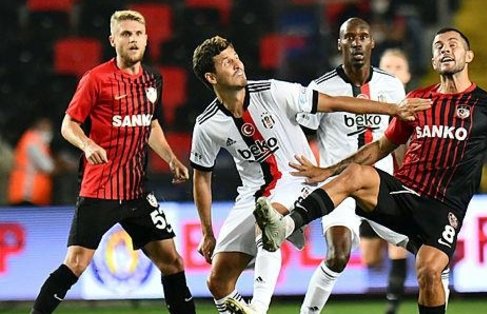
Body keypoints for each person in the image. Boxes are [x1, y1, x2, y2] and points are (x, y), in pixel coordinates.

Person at [254, 27, 487, 314]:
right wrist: (328, 170)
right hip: (403, 194)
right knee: (356, 175)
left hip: (443, 210)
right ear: (432, 62)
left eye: (452, 43)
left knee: (428, 272)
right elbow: (381, 147)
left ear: (469, 55)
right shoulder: (418, 99)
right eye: (438, 46)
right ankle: (284, 227)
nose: (445, 48)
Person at [189, 35, 429, 314]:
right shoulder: (207, 125)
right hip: (252, 194)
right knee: (218, 282)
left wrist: (392, 109)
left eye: (235, 56)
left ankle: (259, 307)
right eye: (226, 62)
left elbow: (336, 102)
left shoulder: (273, 91)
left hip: (297, 178)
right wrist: (207, 232)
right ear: (211, 76)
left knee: (268, 222)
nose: (237, 64)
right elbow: (201, 177)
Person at [30, 10, 196, 314]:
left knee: (172, 261)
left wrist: (171, 158)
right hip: (99, 190)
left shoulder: (152, 79)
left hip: (137, 192)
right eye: (125, 34)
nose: (132, 39)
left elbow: (151, 125)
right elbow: (69, 124)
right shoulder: (96, 79)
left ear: (146, 39)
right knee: (76, 263)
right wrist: (87, 143)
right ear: (113, 40)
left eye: (137, 34)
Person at [295, 19, 436, 314]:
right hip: (339, 186)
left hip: (381, 186)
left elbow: (399, 137)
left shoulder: (391, 85)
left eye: (363, 37)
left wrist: (410, 177)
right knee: (338, 255)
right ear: (340, 44)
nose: (356, 42)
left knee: (432, 248)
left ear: (372, 43)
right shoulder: (320, 88)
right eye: (349, 37)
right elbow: (303, 135)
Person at [358, 48, 450, 314]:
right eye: (386, 66)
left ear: (408, 74)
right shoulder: (367, 106)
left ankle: (393, 308)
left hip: (403, 187)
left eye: (398, 67)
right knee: (369, 258)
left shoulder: (421, 107)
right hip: (366, 184)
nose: (391, 72)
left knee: (398, 248)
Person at [8, 117, 57, 206]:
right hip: (28, 195)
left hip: (29, 195)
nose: (49, 133)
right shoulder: (34, 142)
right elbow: (48, 167)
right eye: (46, 129)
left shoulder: (31, 140)